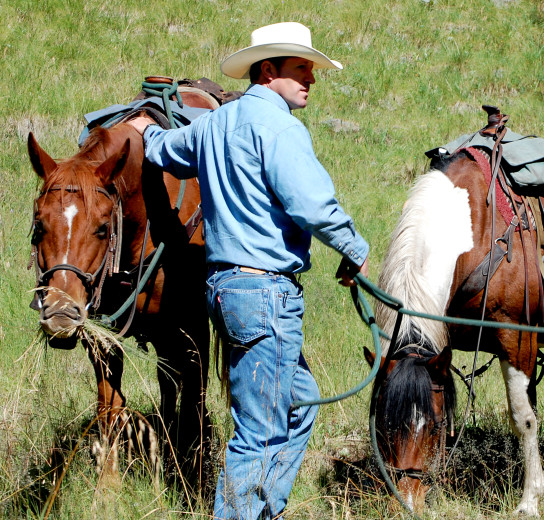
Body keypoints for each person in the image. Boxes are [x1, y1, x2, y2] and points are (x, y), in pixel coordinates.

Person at [128, 21, 369, 519]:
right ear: (268, 70)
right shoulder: (279, 128)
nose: (311, 78)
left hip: (226, 290)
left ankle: (264, 512)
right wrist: (354, 248)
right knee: (259, 432)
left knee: (299, 406)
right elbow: (313, 205)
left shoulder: (215, 125)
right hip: (266, 292)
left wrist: (143, 129)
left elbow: (164, 150)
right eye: (301, 67)